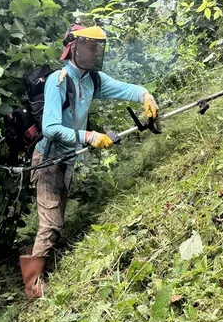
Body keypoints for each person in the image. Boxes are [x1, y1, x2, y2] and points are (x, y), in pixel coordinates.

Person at [20, 24, 159, 300]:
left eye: (98, 47)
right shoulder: (57, 80)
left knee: (56, 218)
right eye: (91, 46)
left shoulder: (92, 79)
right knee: (51, 224)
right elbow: (50, 128)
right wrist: (90, 136)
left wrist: (145, 94)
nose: (96, 51)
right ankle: (32, 286)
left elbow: (124, 89)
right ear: (75, 47)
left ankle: (36, 263)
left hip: (68, 157)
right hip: (48, 159)